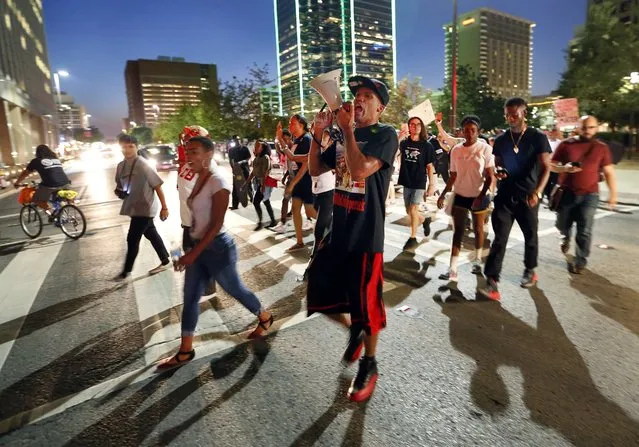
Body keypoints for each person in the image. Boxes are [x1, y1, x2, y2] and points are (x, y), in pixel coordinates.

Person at [307, 75, 398, 402]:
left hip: (364, 236)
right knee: (317, 291)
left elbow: (360, 171)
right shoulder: (350, 134)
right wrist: (318, 134)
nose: (357, 99)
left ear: (380, 107)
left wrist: (345, 131)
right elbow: (317, 170)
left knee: (367, 306)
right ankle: (354, 332)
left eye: (366, 96)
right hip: (338, 232)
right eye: (356, 94)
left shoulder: (385, 135)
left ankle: (370, 365)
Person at [157, 136, 273, 369]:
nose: (189, 156)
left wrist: (192, 253)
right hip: (199, 247)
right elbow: (196, 219)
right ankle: (185, 350)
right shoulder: (199, 177)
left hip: (218, 248)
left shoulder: (218, 182)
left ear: (209, 154)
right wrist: (186, 247)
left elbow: (216, 223)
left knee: (235, 290)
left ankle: (265, 317)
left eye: (195, 152)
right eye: (187, 152)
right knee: (190, 297)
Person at [480, 97, 552, 301]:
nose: (510, 118)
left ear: (524, 113)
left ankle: (530, 269)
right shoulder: (502, 140)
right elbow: (499, 165)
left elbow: (546, 167)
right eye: (507, 115)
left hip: (528, 196)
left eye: (514, 114)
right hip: (505, 196)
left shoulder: (537, 137)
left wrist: (538, 192)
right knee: (499, 238)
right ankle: (492, 280)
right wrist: (499, 173)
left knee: (531, 236)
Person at [550, 115, 618, 274]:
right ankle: (565, 236)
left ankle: (580, 260)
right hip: (567, 192)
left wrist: (613, 194)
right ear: (578, 127)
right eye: (584, 127)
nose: (588, 130)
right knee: (562, 225)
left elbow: (609, 172)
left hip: (590, 195)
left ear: (596, 128)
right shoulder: (566, 145)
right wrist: (564, 169)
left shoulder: (601, 148)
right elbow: (551, 166)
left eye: (591, 127)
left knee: (585, 229)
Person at [436, 115, 495, 281]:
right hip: (461, 195)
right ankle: (452, 269)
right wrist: (443, 194)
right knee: (458, 232)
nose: (469, 133)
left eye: (473, 130)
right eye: (466, 130)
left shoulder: (485, 149)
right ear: (462, 131)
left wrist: (481, 195)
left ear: (478, 131)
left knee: (478, 229)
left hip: (480, 195)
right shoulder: (456, 150)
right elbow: (453, 176)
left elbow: (490, 177)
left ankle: (477, 260)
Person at [114, 134, 171, 280]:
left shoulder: (143, 164)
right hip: (134, 207)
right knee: (150, 232)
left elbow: (157, 186)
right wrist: (119, 191)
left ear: (136, 147)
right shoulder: (120, 166)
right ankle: (165, 259)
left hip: (146, 207)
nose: (127, 150)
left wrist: (164, 207)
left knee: (132, 238)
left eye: (131, 146)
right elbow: (119, 185)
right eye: (124, 147)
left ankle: (126, 271)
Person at [177, 125, 216, 296]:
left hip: (200, 221)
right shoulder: (188, 163)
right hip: (187, 219)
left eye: (189, 141)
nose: (186, 144)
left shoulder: (208, 164)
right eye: (186, 142)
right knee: (188, 249)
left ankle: (208, 285)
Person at [397, 116, 437, 250]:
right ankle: (425, 220)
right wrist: (399, 138)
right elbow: (393, 153)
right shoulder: (403, 143)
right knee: (409, 211)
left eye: (418, 124)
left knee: (413, 208)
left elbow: (430, 166)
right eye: (412, 124)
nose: (415, 126)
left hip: (419, 181)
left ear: (422, 127)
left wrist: (431, 185)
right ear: (408, 127)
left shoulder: (427, 146)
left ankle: (413, 237)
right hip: (406, 179)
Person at [280, 115, 317, 252]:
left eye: (292, 123)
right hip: (298, 180)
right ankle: (300, 242)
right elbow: (291, 157)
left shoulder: (307, 139)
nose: (290, 126)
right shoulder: (297, 140)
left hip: (306, 180)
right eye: (289, 123)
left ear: (301, 124)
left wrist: (292, 184)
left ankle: (329, 227)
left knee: (310, 211)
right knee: (295, 209)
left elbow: (304, 165)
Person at [14, 144, 71, 213]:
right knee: (57, 198)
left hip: (51, 185)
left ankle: (50, 212)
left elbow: (25, 173)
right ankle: (60, 212)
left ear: (37, 153)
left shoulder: (36, 161)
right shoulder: (55, 159)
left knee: (36, 199)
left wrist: (17, 183)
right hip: (66, 183)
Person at [245, 140, 277, 230]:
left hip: (264, 183)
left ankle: (260, 222)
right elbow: (253, 172)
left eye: (258, 146)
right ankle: (272, 221)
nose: (255, 147)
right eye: (255, 146)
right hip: (259, 183)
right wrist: (246, 183)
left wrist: (262, 185)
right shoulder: (256, 158)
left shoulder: (265, 157)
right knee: (266, 202)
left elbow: (265, 172)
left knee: (256, 202)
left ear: (263, 148)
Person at [273, 128, 295, 233]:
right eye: (283, 140)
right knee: (285, 199)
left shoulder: (296, 147)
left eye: (286, 139)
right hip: (291, 177)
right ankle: (282, 223)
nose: (284, 142)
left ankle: (311, 220)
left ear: (290, 138)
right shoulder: (286, 150)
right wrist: (286, 175)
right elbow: (289, 164)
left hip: (299, 179)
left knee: (302, 203)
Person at [228, 135, 252, 210]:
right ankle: (235, 205)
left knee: (247, 185)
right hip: (237, 171)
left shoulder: (244, 148)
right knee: (235, 187)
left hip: (245, 169)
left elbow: (248, 158)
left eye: (238, 139)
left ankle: (252, 199)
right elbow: (230, 160)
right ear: (233, 141)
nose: (237, 141)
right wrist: (233, 168)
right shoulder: (231, 150)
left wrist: (241, 162)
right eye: (235, 140)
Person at [543, 128, 564, 200]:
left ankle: (550, 197)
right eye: (550, 133)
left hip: (556, 166)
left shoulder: (560, 143)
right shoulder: (546, 142)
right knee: (546, 181)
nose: (551, 134)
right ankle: (543, 195)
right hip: (547, 165)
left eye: (554, 133)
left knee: (553, 182)